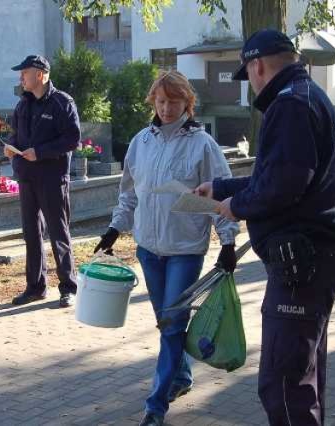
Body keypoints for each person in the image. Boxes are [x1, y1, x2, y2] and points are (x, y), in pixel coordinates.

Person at [196, 29, 335, 425]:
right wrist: (221, 187)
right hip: (315, 255)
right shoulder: (304, 97)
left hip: (303, 258)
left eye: (249, 72)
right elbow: (278, 173)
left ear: (258, 65)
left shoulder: (290, 106)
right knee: (303, 375)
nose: (251, 81)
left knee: (284, 384)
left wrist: (237, 206)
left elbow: (284, 185)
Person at [94, 70, 240, 426]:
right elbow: (129, 193)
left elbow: (221, 194)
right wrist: (114, 230)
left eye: (174, 101)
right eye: (160, 101)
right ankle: (181, 376)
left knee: (173, 325)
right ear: (153, 102)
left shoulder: (202, 145)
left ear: (187, 103)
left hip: (185, 249)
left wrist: (228, 241)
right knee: (167, 324)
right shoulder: (141, 142)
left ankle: (155, 406)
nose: (167, 108)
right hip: (149, 249)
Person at [5, 55, 80, 308]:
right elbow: (16, 135)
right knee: (31, 234)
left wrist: (41, 152)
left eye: (24, 73)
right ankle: (35, 287)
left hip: (53, 178)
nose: (21, 78)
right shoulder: (22, 105)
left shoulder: (62, 102)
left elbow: (72, 139)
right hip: (26, 179)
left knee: (59, 233)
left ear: (40, 74)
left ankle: (68, 287)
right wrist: (12, 148)